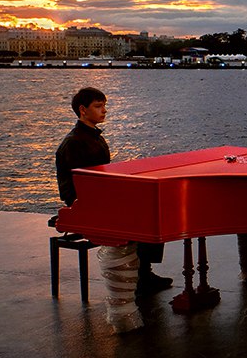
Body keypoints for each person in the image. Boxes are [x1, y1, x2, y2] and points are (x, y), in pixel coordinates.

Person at [55, 87, 172, 298]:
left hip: (96, 197)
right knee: (144, 212)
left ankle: (143, 273)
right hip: (83, 202)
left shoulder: (91, 138)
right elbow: (78, 186)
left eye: (104, 106)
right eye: (98, 106)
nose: (104, 111)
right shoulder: (75, 143)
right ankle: (142, 275)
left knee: (151, 207)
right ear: (83, 110)